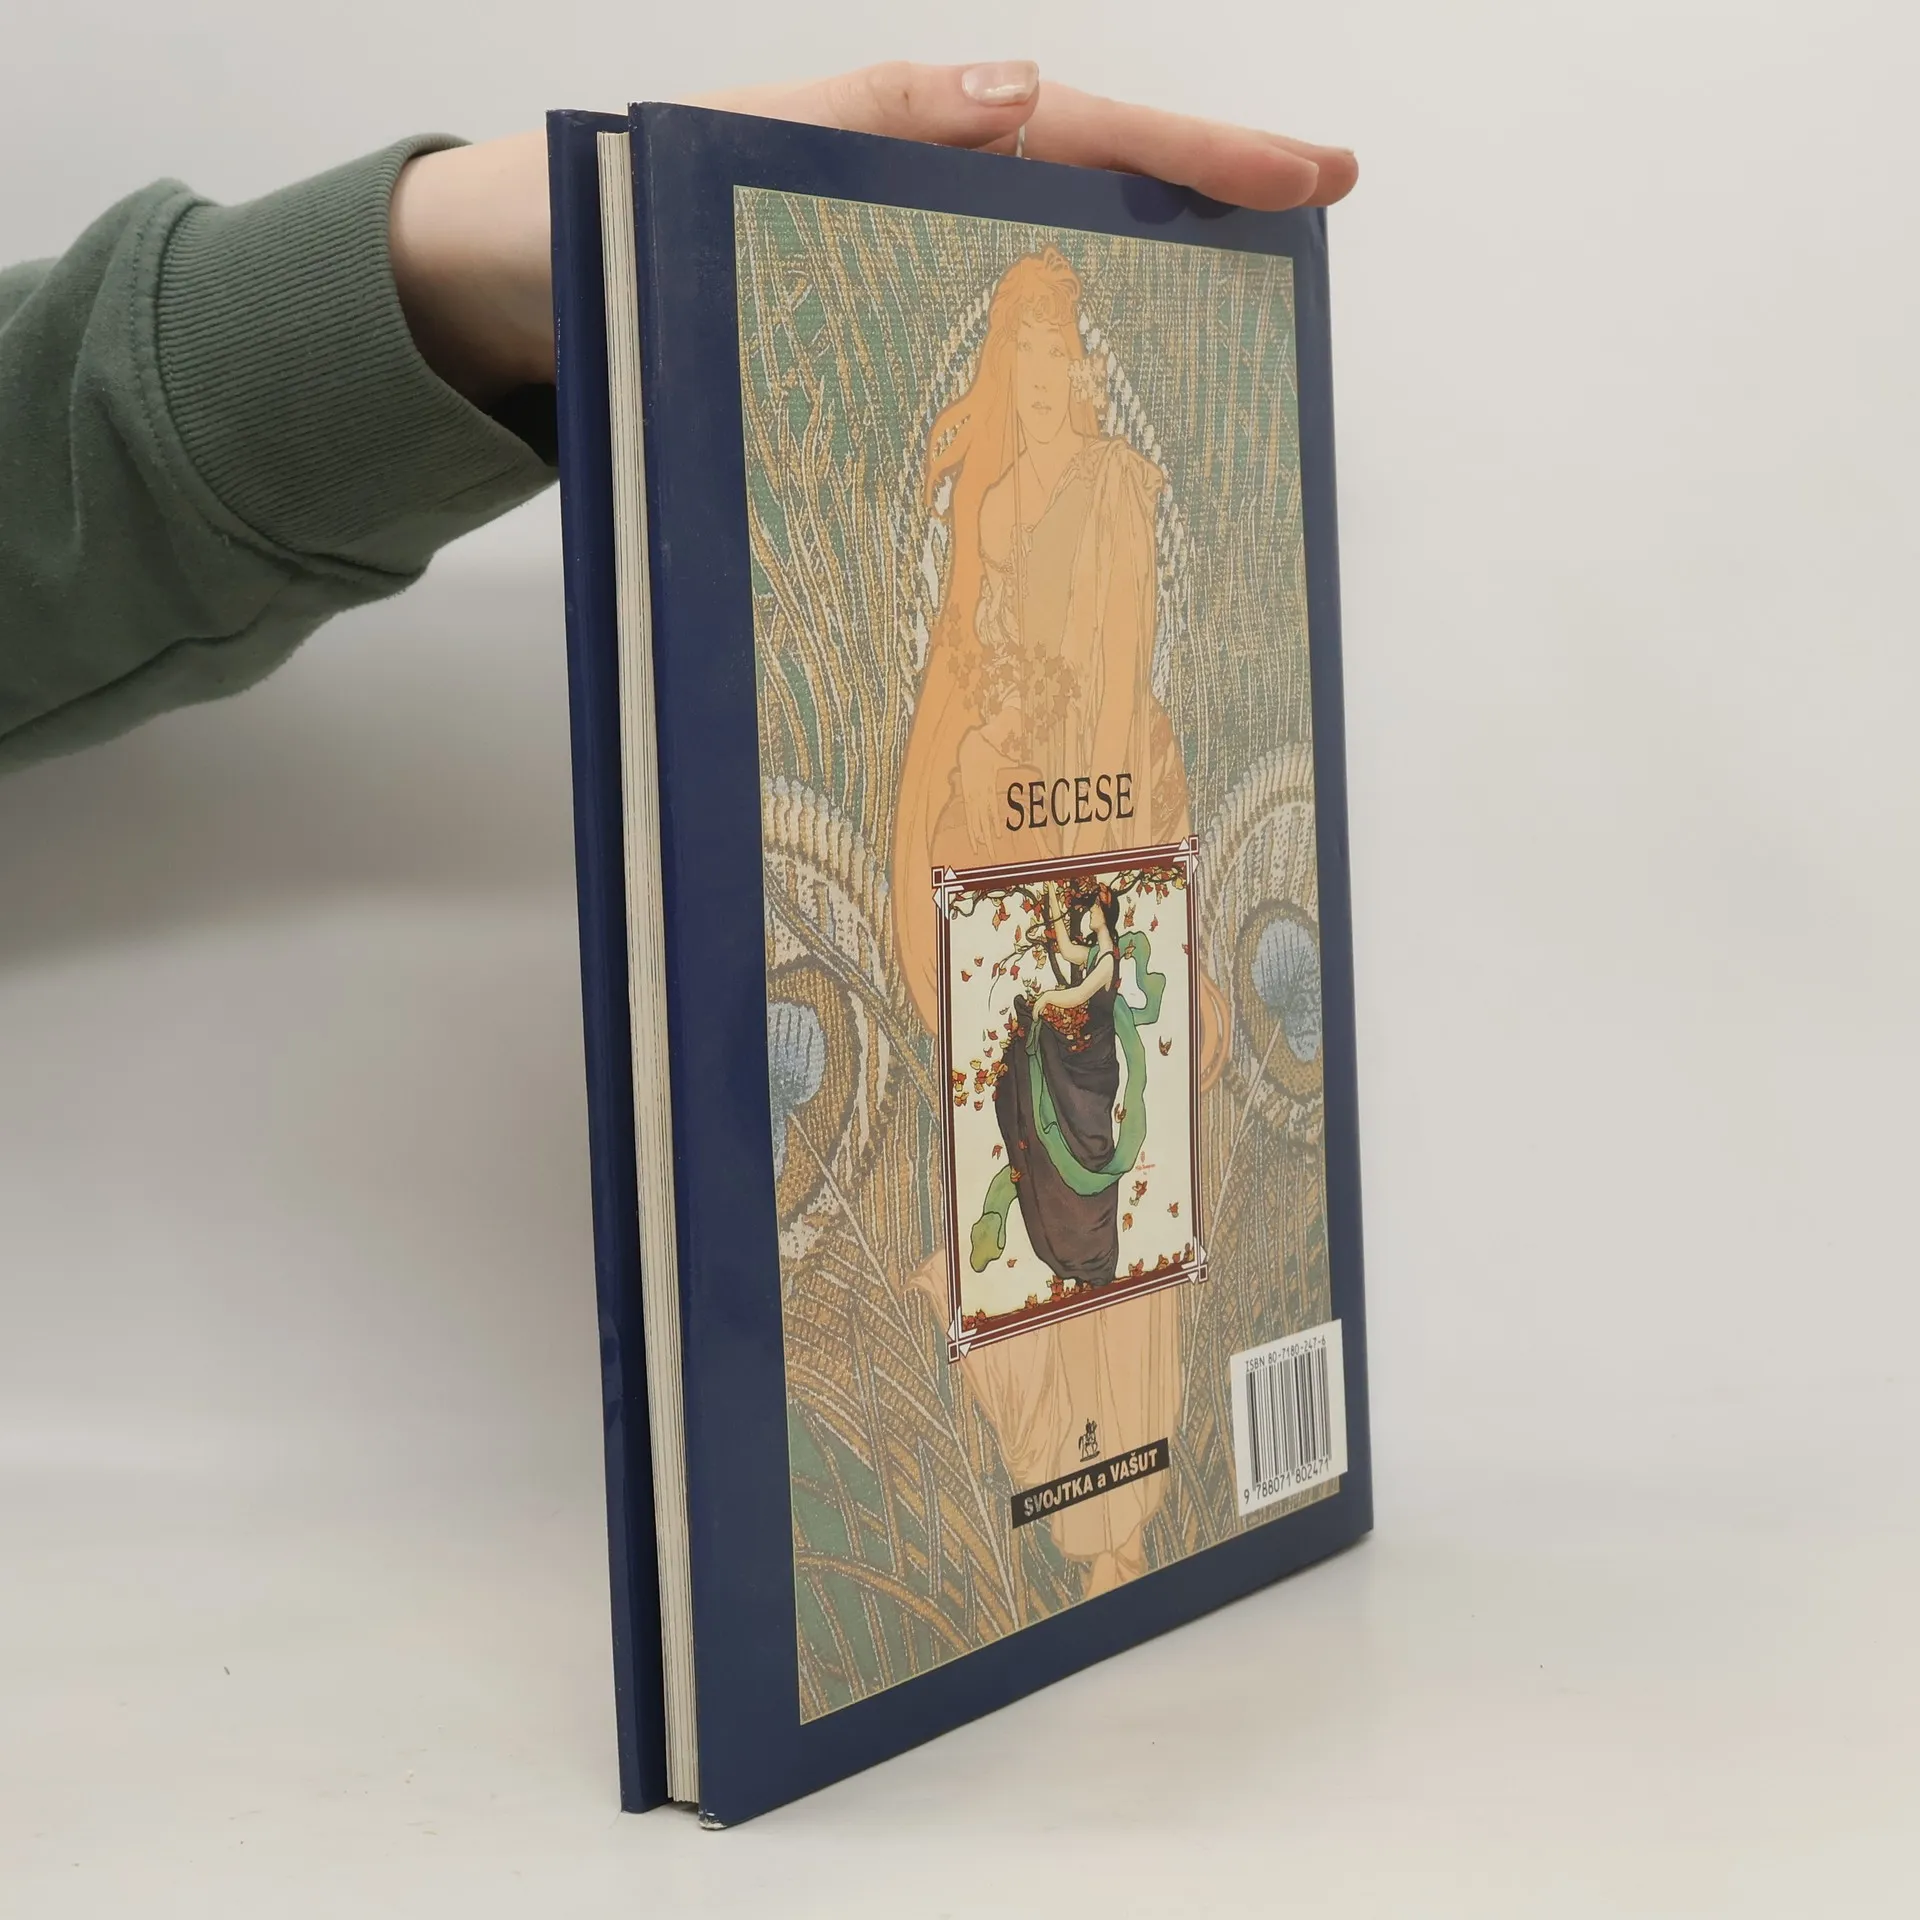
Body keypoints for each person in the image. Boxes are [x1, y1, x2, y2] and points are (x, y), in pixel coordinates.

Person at [0, 61, 1354, 776]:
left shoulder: (1119, 490)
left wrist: (443, 274)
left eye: (1069, 355)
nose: (1058, 379)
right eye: (1031, 352)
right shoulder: (981, 490)